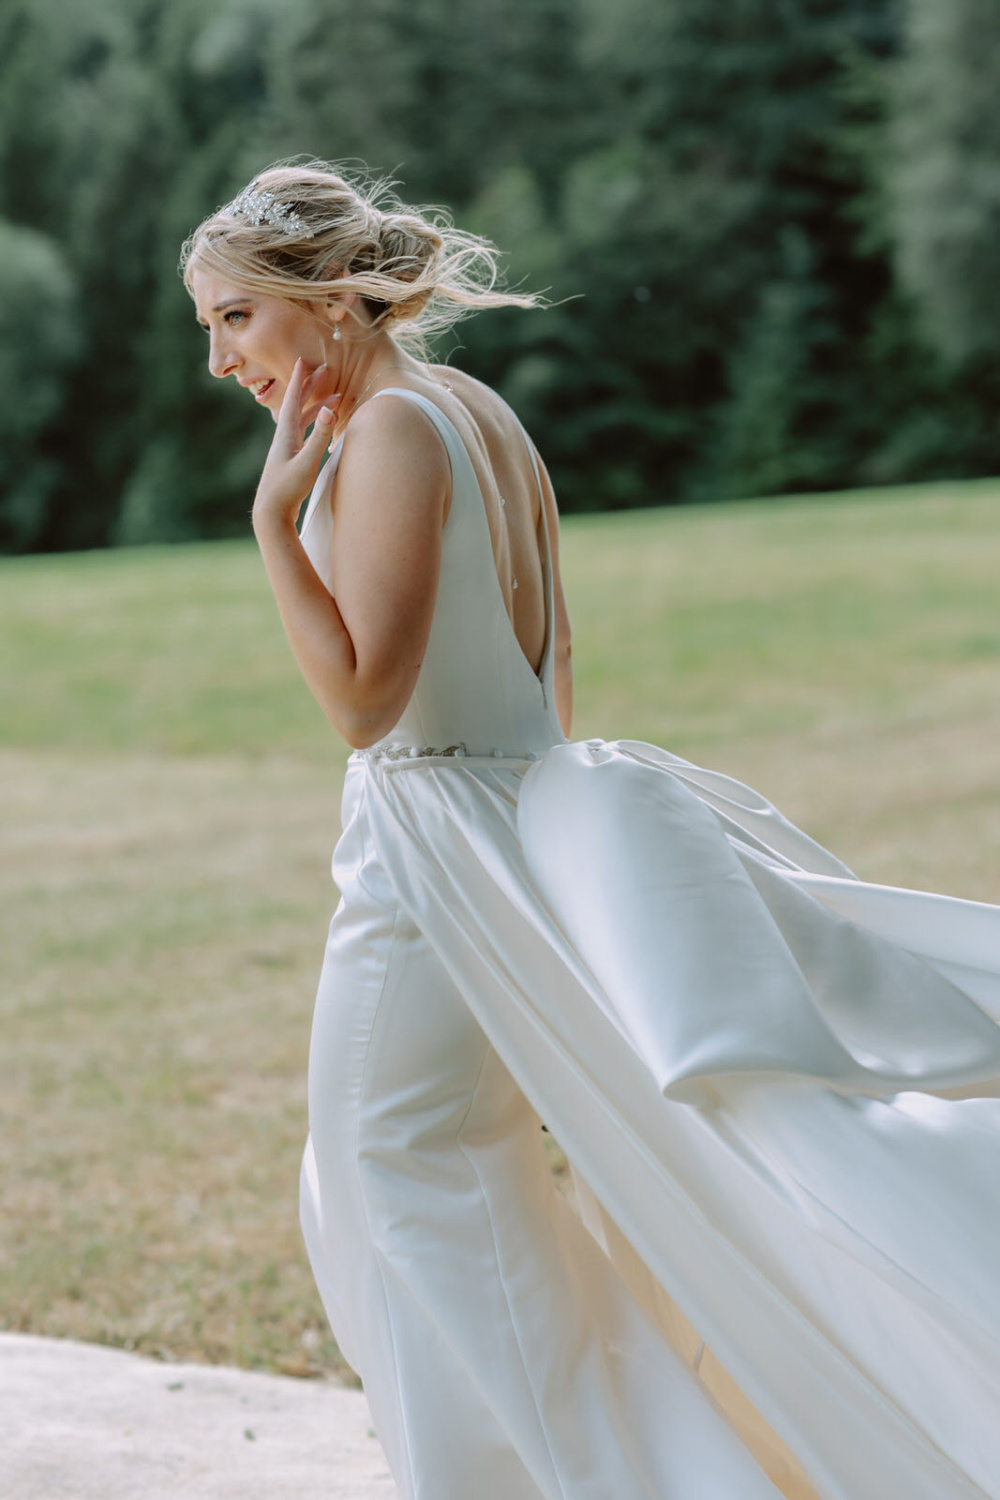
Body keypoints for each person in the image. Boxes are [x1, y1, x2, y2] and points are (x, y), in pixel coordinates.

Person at [181, 160, 1000, 1500]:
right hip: (489, 833)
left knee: (388, 1171)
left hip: (428, 865)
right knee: (429, 1172)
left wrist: (275, 527)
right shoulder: (477, 411)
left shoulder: (389, 432)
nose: (219, 361)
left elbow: (364, 702)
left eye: (234, 319)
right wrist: (530, 838)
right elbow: (552, 664)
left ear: (329, 302)